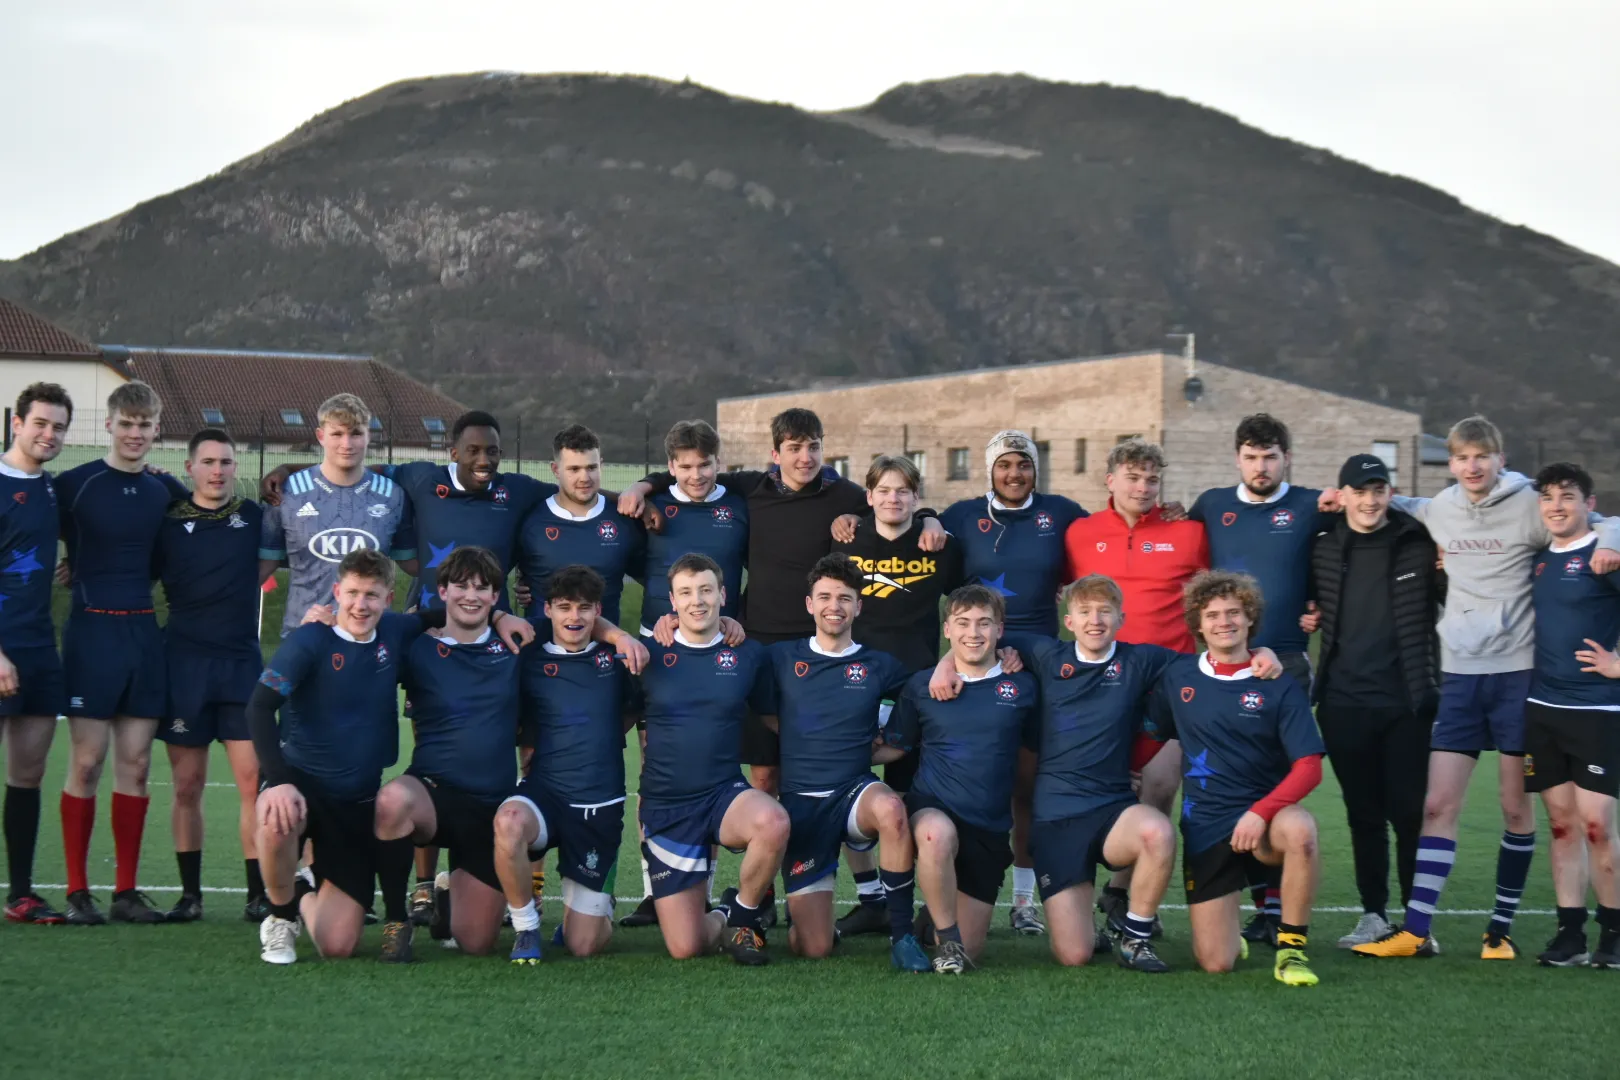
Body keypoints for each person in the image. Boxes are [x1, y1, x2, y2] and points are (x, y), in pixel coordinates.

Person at [620, 408, 944, 925]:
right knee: (766, 773)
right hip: (759, 645)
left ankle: (872, 896)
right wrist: (643, 483)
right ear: (776, 454)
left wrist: (930, 518)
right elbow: (694, 472)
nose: (804, 457)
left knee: (841, 769)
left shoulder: (845, 498)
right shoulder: (749, 489)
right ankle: (760, 896)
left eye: (813, 446)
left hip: (823, 648)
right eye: (793, 447)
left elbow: (895, 503)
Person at [1348, 416, 1620, 960]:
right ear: (1450, 464)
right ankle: (1417, 931)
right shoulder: (1440, 508)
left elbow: (1597, 521)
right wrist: (1336, 495)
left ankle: (1500, 931)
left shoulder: (1530, 504)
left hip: (1519, 677)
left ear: (1501, 459)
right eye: (1461, 458)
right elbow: (1398, 504)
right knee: (1438, 805)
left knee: (1515, 809)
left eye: (1482, 457)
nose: (1471, 467)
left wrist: (1611, 538)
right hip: (1459, 677)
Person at [247, 549, 531, 964]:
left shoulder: (397, 634)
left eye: (372, 595)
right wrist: (278, 779)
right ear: (336, 592)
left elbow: (441, 616)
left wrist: (502, 616)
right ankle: (281, 915)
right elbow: (257, 708)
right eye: (353, 594)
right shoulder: (310, 639)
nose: (361, 605)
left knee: (339, 945)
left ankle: (310, 886)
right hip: (302, 782)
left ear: (389, 597)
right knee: (275, 817)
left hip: (356, 804)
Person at [1189, 414, 1332, 943]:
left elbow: (1355, 539)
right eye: (1251, 456)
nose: (1261, 466)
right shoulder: (1212, 505)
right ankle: (1255, 897)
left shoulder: (1315, 504)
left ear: (1286, 458)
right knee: (1236, 775)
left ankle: (1274, 908)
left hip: (1286, 660)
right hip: (1225, 661)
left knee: (1278, 781)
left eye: (1270, 456)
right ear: (1237, 459)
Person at [937, 430, 1085, 934]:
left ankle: (1024, 902)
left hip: (1038, 667)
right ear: (990, 470)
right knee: (974, 782)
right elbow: (921, 526)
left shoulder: (1062, 513)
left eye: (1023, 464)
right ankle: (955, 894)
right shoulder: (961, 515)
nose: (1015, 474)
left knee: (1027, 787)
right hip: (976, 663)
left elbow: (1105, 535)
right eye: (1005, 465)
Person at [54, 380, 189, 925]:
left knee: (134, 764)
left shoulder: (167, 490)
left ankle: (126, 893)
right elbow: (31, 536)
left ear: (157, 430)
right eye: (126, 424)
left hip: (142, 634)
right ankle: (78, 890)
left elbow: (193, 534)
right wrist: (63, 568)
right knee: (86, 764)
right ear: (109, 425)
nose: (135, 434)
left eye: (145, 425)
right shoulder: (73, 485)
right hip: (90, 632)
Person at [757, 555, 930, 971]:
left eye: (845, 598)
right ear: (809, 604)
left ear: (858, 607)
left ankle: (902, 934)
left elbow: (911, 720)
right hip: (801, 802)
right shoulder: (779, 658)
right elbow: (766, 714)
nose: (835, 605)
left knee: (890, 808)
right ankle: (811, 924)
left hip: (854, 791)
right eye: (826, 597)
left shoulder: (881, 665)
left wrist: (878, 749)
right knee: (812, 947)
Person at [1062, 439, 1208, 931]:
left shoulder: (1189, 533)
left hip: (1170, 686)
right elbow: (1058, 593)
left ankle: (1123, 894)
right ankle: (1075, 891)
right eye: (1133, 477)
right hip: (1100, 685)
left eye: (1151, 480)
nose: (1143, 488)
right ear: (1110, 480)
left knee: (1161, 785)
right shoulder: (1080, 533)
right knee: (1101, 784)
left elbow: (1214, 601)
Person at [1303, 454, 1441, 948]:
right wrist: (1307, 617)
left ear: (1390, 493)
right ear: (1342, 496)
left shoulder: (1420, 542)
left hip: (1407, 703)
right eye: (1360, 491)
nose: (1369, 500)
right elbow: (1302, 593)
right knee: (1363, 814)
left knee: (1408, 812)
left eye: (1378, 490)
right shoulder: (1321, 546)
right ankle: (1373, 914)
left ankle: (1416, 923)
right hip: (1343, 702)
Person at [1163, 571, 1325, 987]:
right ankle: (1230, 931)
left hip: (1265, 820)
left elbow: (1310, 767)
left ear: (1249, 618)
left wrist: (1259, 812)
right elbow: (1150, 730)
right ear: (1198, 625)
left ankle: (1291, 949)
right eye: (1213, 615)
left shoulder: (1278, 683)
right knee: (1216, 962)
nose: (1224, 622)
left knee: (1302, 830)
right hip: (1206, 826)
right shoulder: (1177, 675)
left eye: (1234, 612)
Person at [372, 547, 529, 961]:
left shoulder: (516, 645)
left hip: (488, 808)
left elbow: (579, 623)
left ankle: (445, 896)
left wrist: (620, 636)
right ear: (441, 591)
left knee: (476, 943)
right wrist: (323, 620)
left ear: (496, 597)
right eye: (460, 586)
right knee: (391, 801)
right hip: (433, 794)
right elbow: (358, 626)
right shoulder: (415, 645)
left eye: (482, 588)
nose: (471, 596)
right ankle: (396, 920)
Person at [831, 454, 965, 937]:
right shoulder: (845, 540)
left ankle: (911, 899)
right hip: (858, 683)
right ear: (868, 497)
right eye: (883, 490)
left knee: (910, 794)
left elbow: (964, 607)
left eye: (903, 491)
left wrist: (950, 659)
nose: (893, 498)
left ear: (916, 497)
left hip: (919, 685)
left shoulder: (940, 544)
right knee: (851, 786)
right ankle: (870, 896)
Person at [632, 553, 789, 964]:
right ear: (672, 600)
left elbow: (776, 721)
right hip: (667, 807)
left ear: (723, 594)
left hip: (723, 794)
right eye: (686, 592)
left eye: (705, 590)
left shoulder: (749, 655)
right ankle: (723, 911)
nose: (696, 601)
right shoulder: (647, 656)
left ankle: (743, 920)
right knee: (686, 948)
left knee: (772, 821)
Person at [154, 428, 276, 923]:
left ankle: (256, 895)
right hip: (183, 665)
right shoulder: (166, 522)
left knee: (252, 783)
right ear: (190, 469)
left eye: (226, 462)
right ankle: (190, 896)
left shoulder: (253, 518)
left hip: (241, 665)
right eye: (208, 462)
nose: (218, 471)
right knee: (187, 784)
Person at [884, 584, 1039, 973]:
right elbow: (895, 747)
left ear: (1000, 630)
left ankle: (933, 922)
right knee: (936, 835)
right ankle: (947, 940)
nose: (974, 633)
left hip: (988, 827)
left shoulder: (1022, 686)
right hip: (933, 808)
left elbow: (1041, 748)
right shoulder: (922, 685)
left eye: (984, 623)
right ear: (947, 629)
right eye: (963, 623)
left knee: (976, 952)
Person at [496, 565, 638, 963]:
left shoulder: (618, 657)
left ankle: (597, 905)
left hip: (599, 803)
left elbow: (632, 712)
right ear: (548, 610)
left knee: (584, 945)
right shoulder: (528, 656)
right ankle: (525, 927)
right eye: (564, 608)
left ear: (598, 612)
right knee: (508, 822)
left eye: (584, 608)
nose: (574, 617)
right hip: (547, 793)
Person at [1521, 463, 1620, 968]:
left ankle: (1615, 933)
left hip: (1598, 711)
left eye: (1568, 496)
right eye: (1549, 498)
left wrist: (1617, 665)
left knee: (1598, 824)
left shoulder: (1607, 557)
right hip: (1542, 709)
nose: (1557, 506)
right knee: (1562, 826)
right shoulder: (1538, 560)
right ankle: (1570, 935)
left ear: (1589, 503)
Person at [257, 393, 417, 640]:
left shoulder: (392, 496)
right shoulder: (286, 493)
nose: (347, 444)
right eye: (337, 434)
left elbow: (414, 565)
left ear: (368, 436)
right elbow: (261, 569)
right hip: (304, 636)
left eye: (355, 433)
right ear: (320, 436)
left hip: (369, 640)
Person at [1, 383, 72, 924]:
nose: (49, 434)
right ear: (17, 423)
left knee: (28, 774)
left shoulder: (50, 490)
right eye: (41, 423)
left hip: (38, 647)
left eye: (59, 427)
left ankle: (20, 894)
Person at [515, 424, 645, 628]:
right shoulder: (531, 520)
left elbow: (652, 578)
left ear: (601, 465)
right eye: (574, 469)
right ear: (555, 470)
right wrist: (520, 583)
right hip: (542, 652)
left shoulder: (623, 520)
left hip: (604, 651)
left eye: (591, 468)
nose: (585, 478)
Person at [637, 420, 750, 633]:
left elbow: (759, 570)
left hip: (723, 635)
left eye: (704, 465)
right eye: (686, 467)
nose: (696, 476)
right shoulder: (652, 506)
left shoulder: (739, 507)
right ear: (671, 467)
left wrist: (742, 616)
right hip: (658, 634)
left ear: (718, 462)